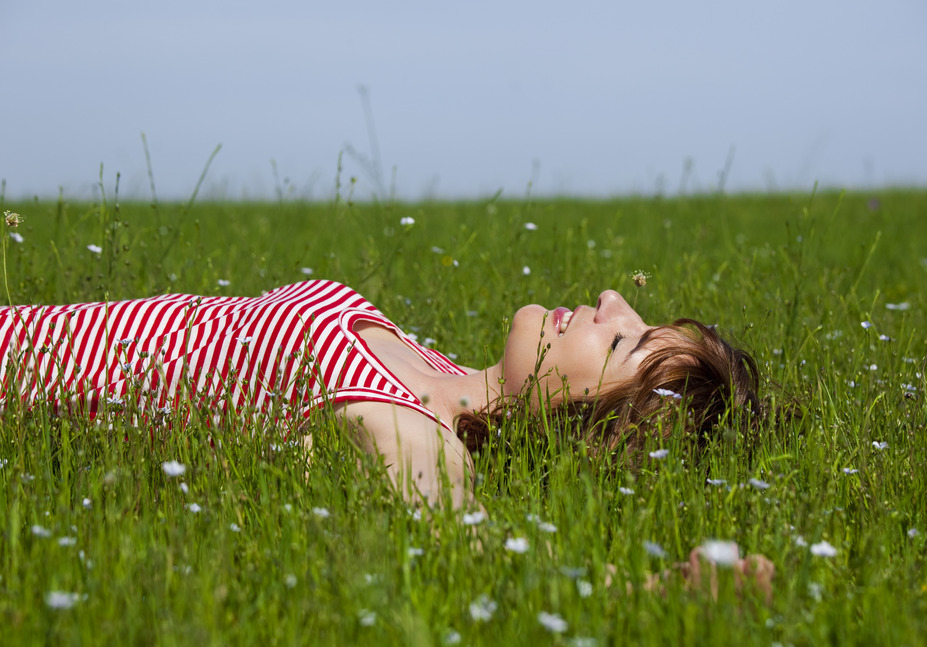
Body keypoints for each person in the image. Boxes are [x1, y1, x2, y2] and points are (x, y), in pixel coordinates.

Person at [0, 279, 759, 507]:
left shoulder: (413, 430)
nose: (611, 299)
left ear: (593, 430)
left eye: (623, 340)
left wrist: (646, 585)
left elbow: (466, 542)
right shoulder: (433, 368)